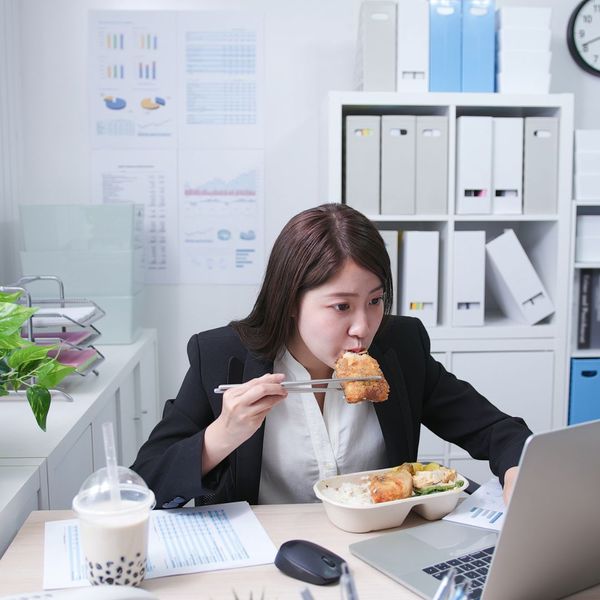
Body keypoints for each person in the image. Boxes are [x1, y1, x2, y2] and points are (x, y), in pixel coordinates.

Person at [131, 203, 531, 509]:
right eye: (341, 306)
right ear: (289, 301)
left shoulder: (400, 347)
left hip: (379, 548)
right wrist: (221, 436)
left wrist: (517, 470)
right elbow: (144, 482)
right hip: (267, 557)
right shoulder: (221, 356)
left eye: (375, 301)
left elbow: (496, 430)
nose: (363, 326)